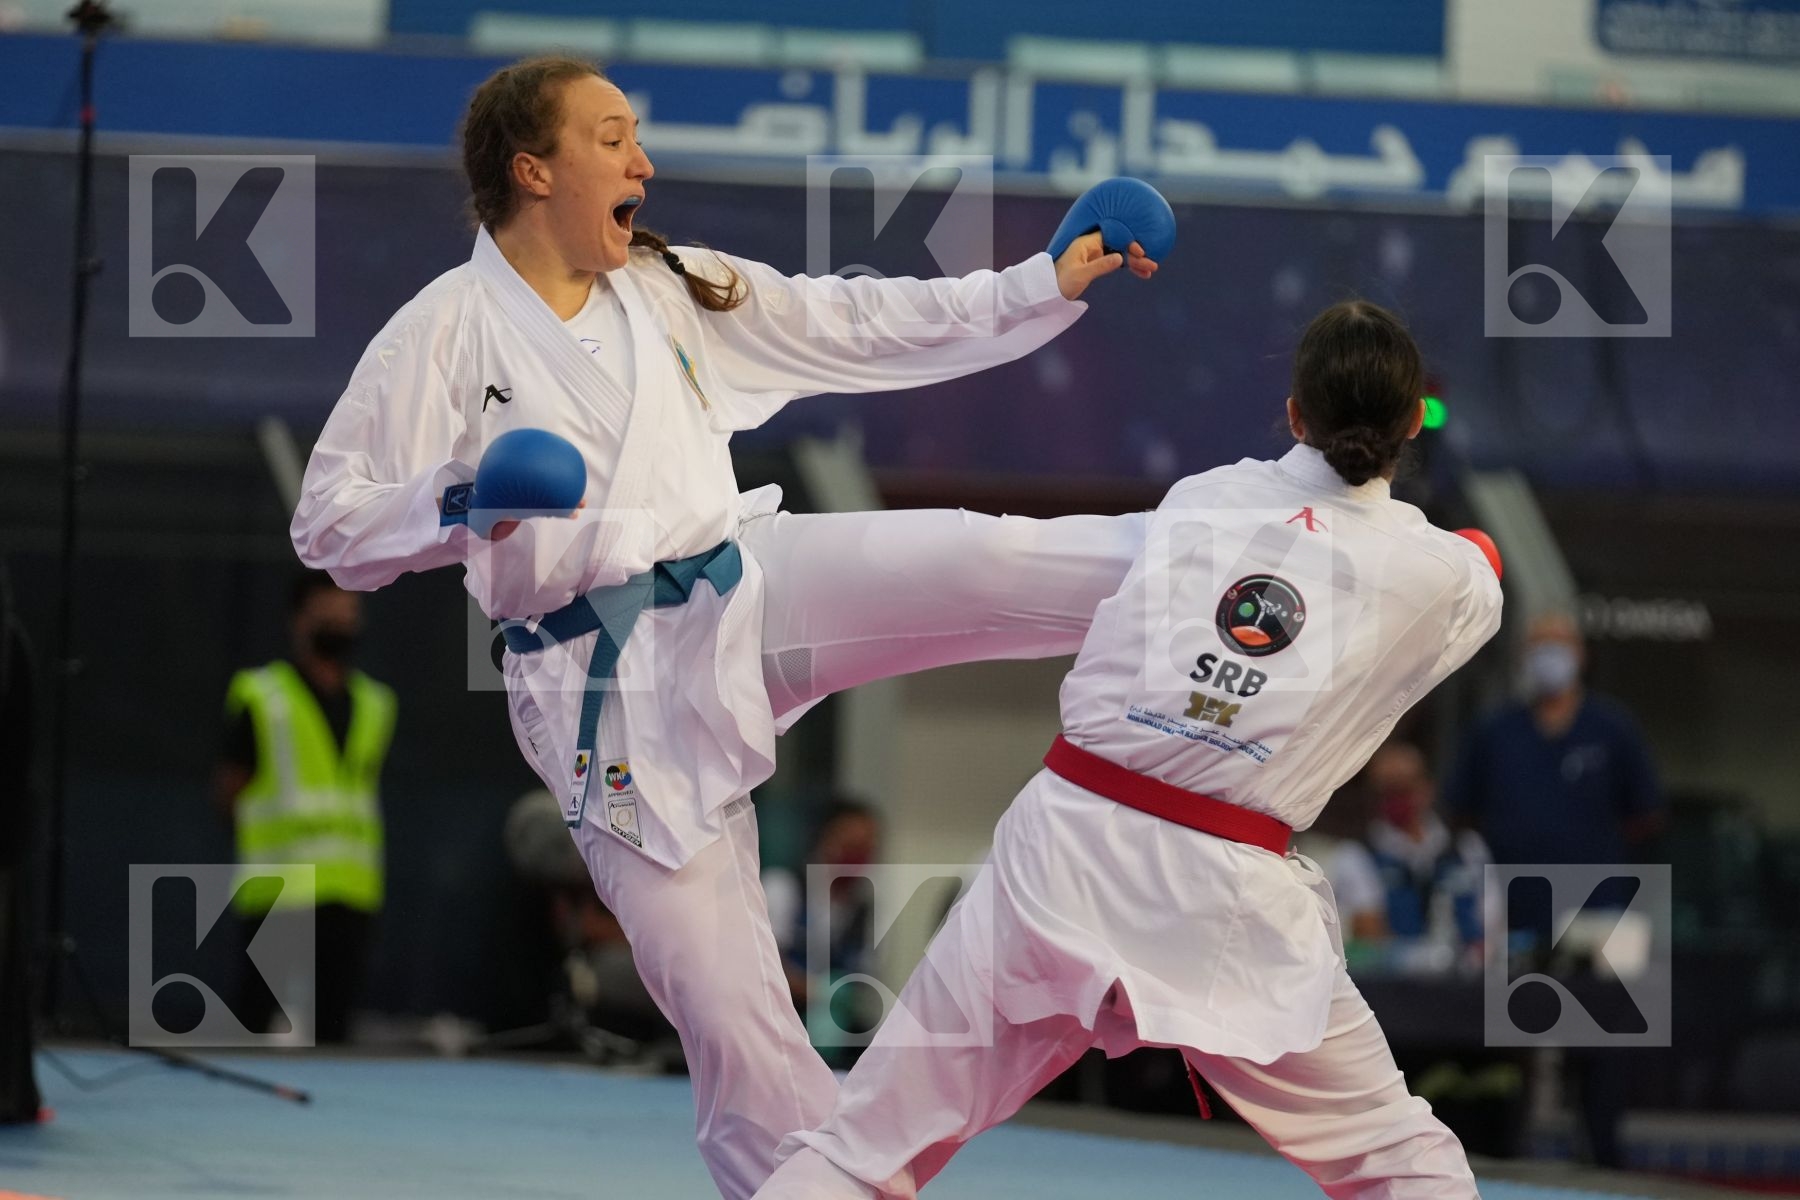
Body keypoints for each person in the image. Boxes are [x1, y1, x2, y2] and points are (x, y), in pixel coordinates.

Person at [290, 55, 1153, 1198]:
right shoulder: (442, 333)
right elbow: (329, 522)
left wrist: (1039, 284)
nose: (643, 160)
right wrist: (458, 498)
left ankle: (1224, 561)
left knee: (980, 554)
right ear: (533, 168)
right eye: (613, 138)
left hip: (741, 584)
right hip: (607, 691)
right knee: (736, 1026)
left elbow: (862, 321)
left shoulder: (670, 284)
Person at [753, 300, 1504, 1200]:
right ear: (1411, 424)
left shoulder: (1202, 498)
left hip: (1063, 849)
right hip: (1224, 894)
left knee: (865, 1146)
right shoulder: (1436, 573)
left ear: (1296, 412)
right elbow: (1484, 563)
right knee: (1399, 1161)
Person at [215, 572, 397, 1044]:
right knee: (252, 1027)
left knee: (334, 1035)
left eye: (350, 613)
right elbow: (230, 789)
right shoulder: (263, 696)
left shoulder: (377, 704)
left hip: (352, 895)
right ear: (299, 620)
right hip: (280, 893)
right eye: (328, 613)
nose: (341, 622)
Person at [1446, 611, 1663, 872]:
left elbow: (1645, 814)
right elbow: (1462, 812)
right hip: (1509, 895)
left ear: (1581, 654)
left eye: (1559, 643)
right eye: (1539, 644)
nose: (1549, 653)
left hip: (1595, 896)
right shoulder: (1494, 731)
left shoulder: (1612, 728)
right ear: (1522, 656)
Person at [1326, 739, 1490, 966]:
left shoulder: (1466, 847)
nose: (1396, 799)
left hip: (1469, 982)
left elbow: (1492, 923)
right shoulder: (1357, 856)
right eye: (1386, 790)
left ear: (1425, 787)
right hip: (1401, 988)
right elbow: (1370, 938)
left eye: (1403, 788)